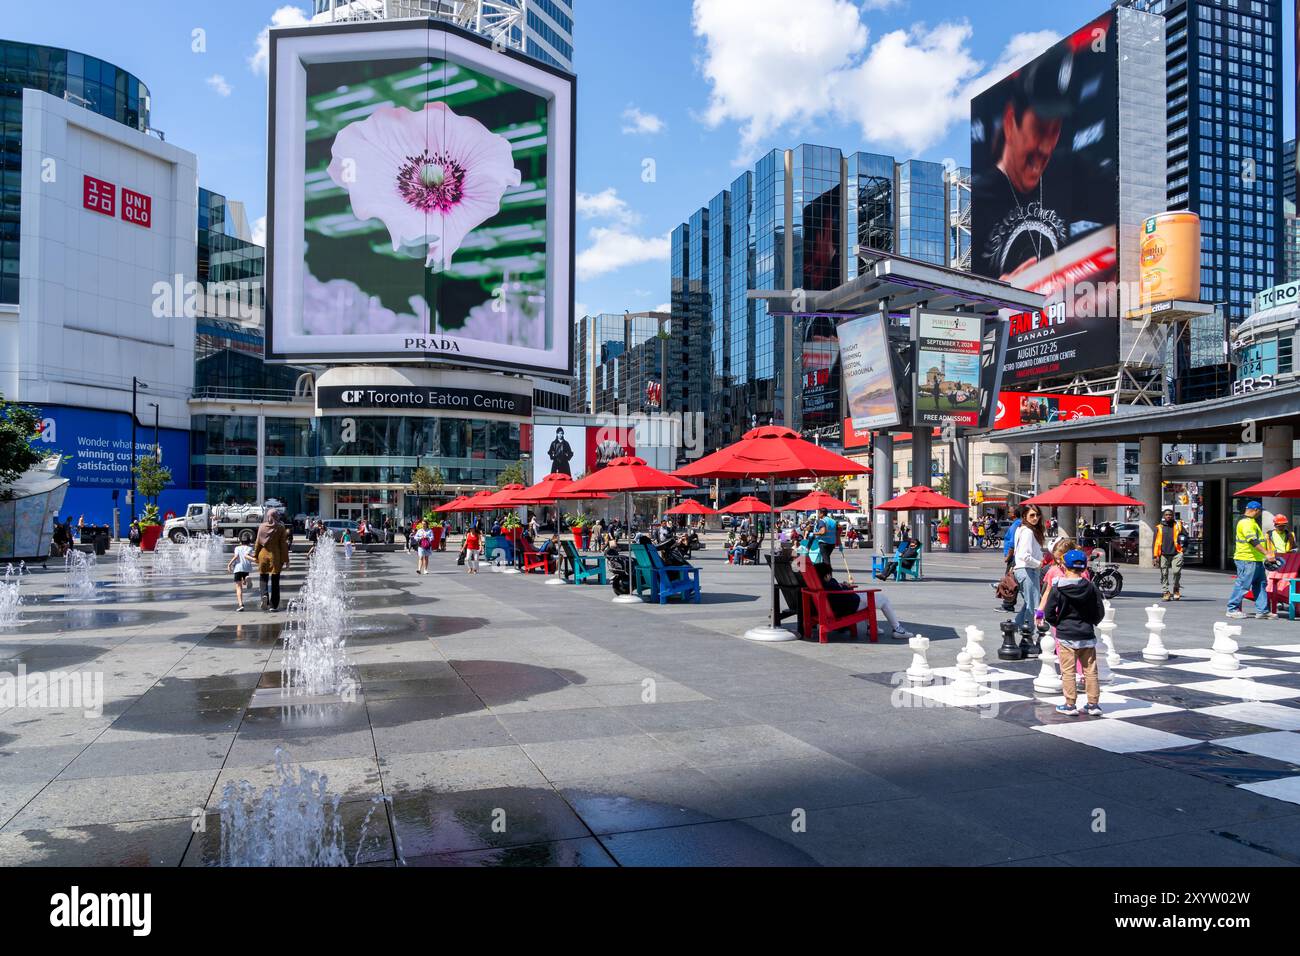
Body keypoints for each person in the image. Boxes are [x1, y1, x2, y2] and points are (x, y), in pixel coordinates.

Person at [1040, 548, 1106, 717]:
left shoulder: (1058, 588)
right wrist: (1092, 622)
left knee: (1068, 671)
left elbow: (1048, 612)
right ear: (1084, 568)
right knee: (1090, 671)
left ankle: (1070, 705)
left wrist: (1058, 624)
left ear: (1065, 566)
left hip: (1066, 635)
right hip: (1086, 635)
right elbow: (1100, 610)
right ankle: (1093, 704)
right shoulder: (1091, 587)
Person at [813, 560, 912, 640]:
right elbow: (840, 593)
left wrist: (843, 586)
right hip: (849, 605)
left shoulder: (820, 584)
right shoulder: (831, 583)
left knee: (867, 598)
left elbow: (837, 591)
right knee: (883, 599)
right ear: (827, 575)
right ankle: (897, 629)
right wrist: (846, 587)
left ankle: (871, 627)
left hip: (839, 606)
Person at [1228, 500, 1274, 620]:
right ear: (1256, 510)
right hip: (1246, 559)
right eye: (1259, 511)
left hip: (1255, 559)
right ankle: (1232, 609)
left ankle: (1262, 611)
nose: (1260, 514)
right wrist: (1267, 553)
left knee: (1260, 584)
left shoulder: (1251, 522)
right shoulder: (1246, 523)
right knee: (1243, 584)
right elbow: (1252, 540)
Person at [1012, 504, 1046, 635]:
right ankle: (1028, 633)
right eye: (1032, 515)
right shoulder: (1027, 531)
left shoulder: (1022, 529)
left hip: (1024, 570)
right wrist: (1038, 563)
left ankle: (1014, 627)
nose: (1035, 518)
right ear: (1024, 516)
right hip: (1027, 569)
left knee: (1029, 603)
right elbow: (1024, 555)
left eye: (1037, 515)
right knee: (1033, 604)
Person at [253, 510, 290, 613]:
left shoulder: (262, 527)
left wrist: (255, 556)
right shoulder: (280, 527)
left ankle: (264, 595)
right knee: (275, 581)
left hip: (263, 555)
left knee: (263, 578)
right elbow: (283, 545)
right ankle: (273, 605)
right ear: (276, 516)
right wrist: (286, 560)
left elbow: (258, 543)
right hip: (275, 556)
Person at [1153, 509, 1187, 602]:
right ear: (1164, 516)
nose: (1168, 516)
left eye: (1170, 515)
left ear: (1173, 516)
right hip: (1163, 554)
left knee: (1176, 572)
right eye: (1166, 515)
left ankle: (1176, 589)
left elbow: (1186, 537)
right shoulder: (1159, 527)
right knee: (1164, 573)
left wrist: (1183, 549)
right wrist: (1155, 556)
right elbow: (1155, 543)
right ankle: (1166, 592)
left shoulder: (1178, 526)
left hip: (1177, 553)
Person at [227, 539, 255, 611]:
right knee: (244, 579)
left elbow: (236, 556)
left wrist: (229, 564)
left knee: (239, 587)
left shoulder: (237, 548)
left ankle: (241, 605)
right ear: (249, 542)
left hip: (238, 568)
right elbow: (250, 556)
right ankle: (246, 578)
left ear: (240, 542)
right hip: (246, 568)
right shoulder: (250, 548)